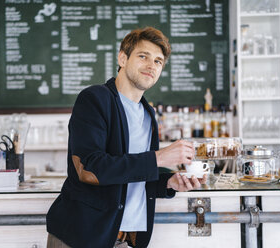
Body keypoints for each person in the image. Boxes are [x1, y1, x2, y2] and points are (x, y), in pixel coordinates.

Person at [46, 26, 207, 248]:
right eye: (144, 56)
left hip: (125, 238)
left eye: (158, 61)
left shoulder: (149, 114)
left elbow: (134, 178)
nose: (152, 65)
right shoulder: (94, 99)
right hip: (82, 237)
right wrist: (159, 158)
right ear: (123, 58)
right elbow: (91, 168)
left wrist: (168, 182)